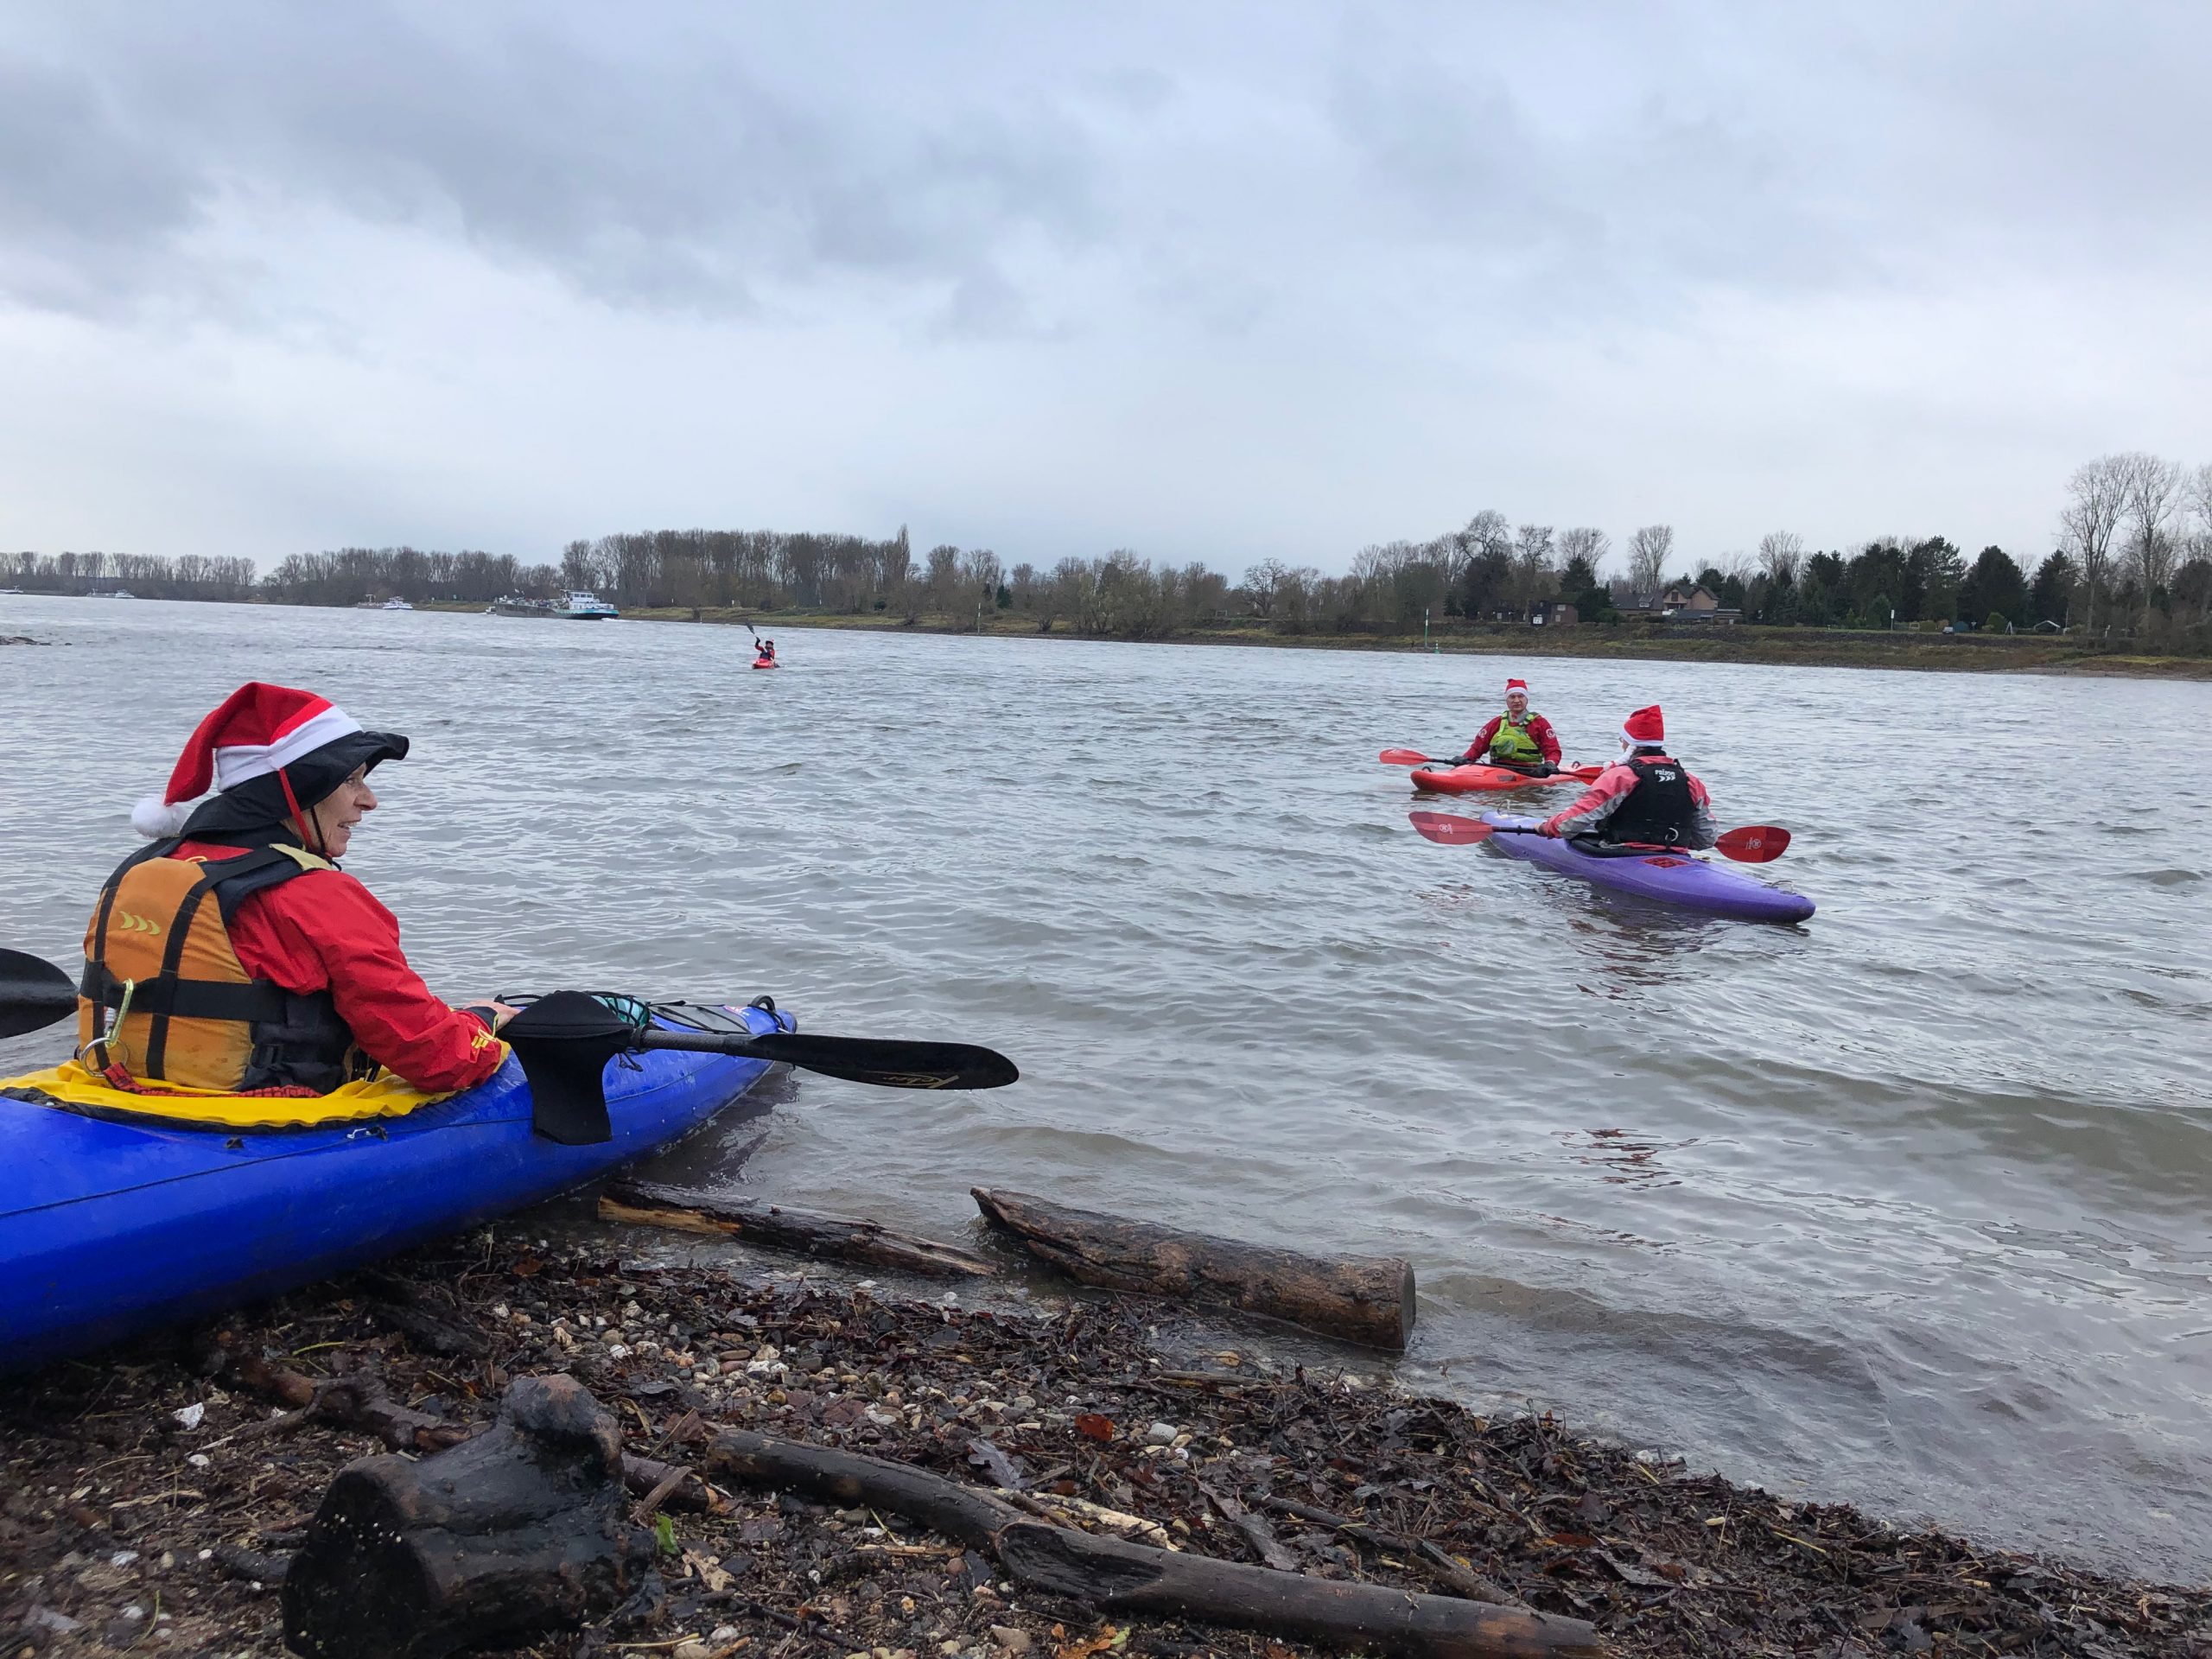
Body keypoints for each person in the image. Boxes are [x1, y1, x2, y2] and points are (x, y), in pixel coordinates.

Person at [78, 683, 515, 1096]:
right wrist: (481, 1021)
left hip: (122, 1092)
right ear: (299, 789)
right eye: (351, 781)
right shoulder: (315, 894)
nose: (369, 800)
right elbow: (436, 1058)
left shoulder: (149, 865)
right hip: (262, 1116)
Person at [1538, 704, 1716, 849]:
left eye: (1622, 740)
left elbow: (1571, 823)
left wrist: (1546, 827)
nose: (1622, 744)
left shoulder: (1621, 776)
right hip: (1674, 853)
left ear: (1631, 744)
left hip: (1622, 854)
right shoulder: (1691, 781)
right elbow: (1707, 839)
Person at [1457, 677, 1560, 772]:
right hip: (1497, 770)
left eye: (1520, 696)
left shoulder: (1539, 723)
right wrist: (1465, 759)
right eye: (1512, 697)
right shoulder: (1496, 723)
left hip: (1529, 772)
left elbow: (1553, 750)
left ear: (1526, 699)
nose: (1516, 700)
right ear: (1507, 700)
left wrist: (1550, 764)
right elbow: (1477, 748)